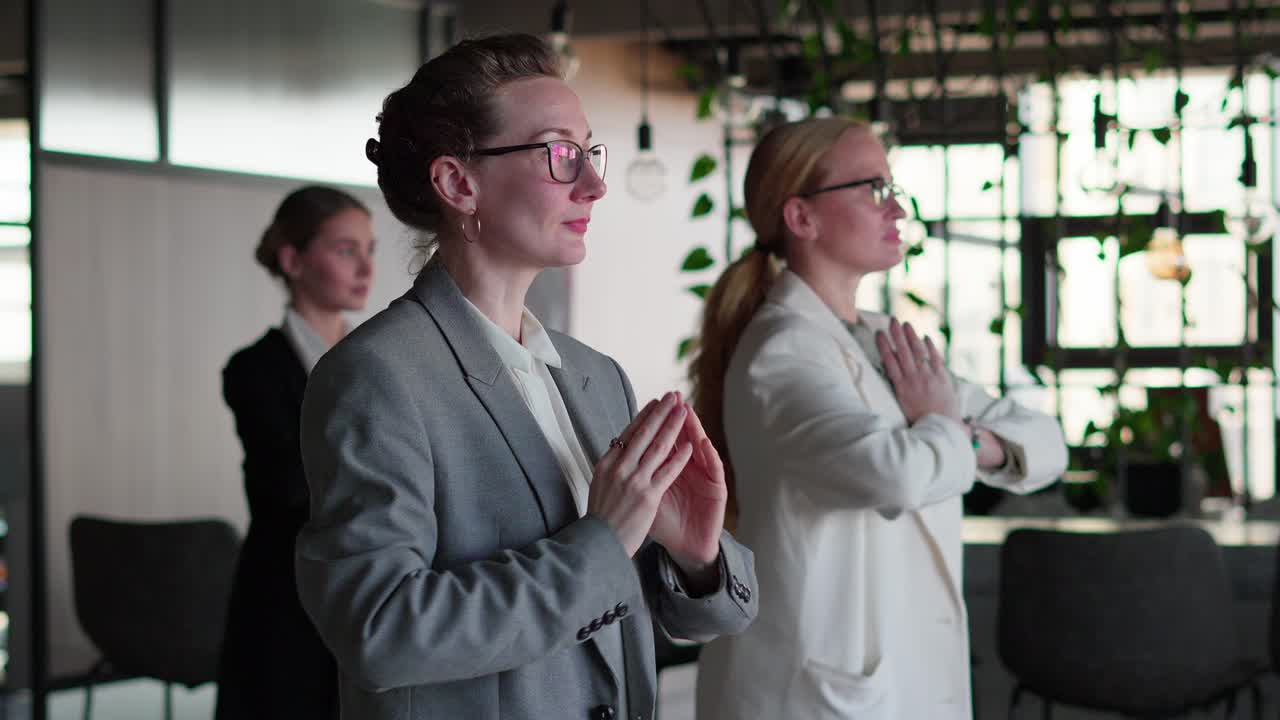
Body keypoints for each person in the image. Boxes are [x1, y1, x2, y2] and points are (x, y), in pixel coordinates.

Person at [295, 34, 757, 720]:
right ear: (459, 183)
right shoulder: (376, 378)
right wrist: (601, 543)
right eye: (560, 154)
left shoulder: (596, 377)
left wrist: (693, 558)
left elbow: (684, 619)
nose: (594, 184)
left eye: (589, 152)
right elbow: (382, 632)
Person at [691, 117, 1068, 719]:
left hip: (890, 679)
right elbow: (893, 475)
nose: (897, 210)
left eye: (894, 188)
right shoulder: (783, 350)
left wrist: (956, 437)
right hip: (815, 693)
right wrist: (948, 430)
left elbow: (1046, 442)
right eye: (873, 189)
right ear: (801, 218)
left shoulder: (880, 340)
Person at [216, 186, 376, 720]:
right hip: (285, 594)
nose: (365, 267)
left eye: (369, 250)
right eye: (345, 250)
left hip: (373, 584)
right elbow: (290, 486)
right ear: (293, 260)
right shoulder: (254, 369)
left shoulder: (382, 361)